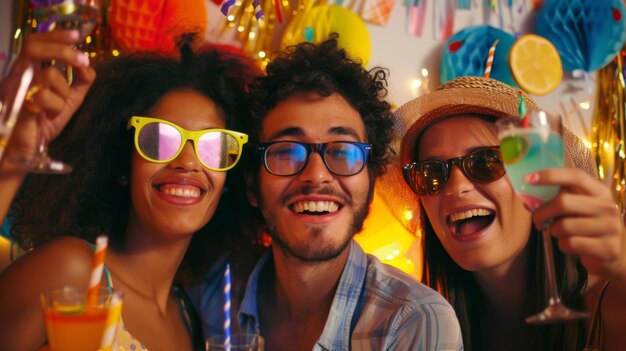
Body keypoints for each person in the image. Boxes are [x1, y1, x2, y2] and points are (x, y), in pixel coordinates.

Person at [189, 35, 463, 351]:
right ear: (252, 186)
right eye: (287, 151)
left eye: (343, 152)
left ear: (371, 180)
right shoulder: (211, 293)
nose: (316, 175)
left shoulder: (414, 323)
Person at [0, 33, 258, 351]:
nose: (187, 162)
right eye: (159, 139)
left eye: (214, 146)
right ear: (124, 165)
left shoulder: (190, 317)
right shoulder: (72, 270)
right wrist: (12, 159)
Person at [389, 75, 626, 350]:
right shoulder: (425, 324)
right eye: (430, 172)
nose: (456, 187)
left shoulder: (610, 305)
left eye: (485, 162)